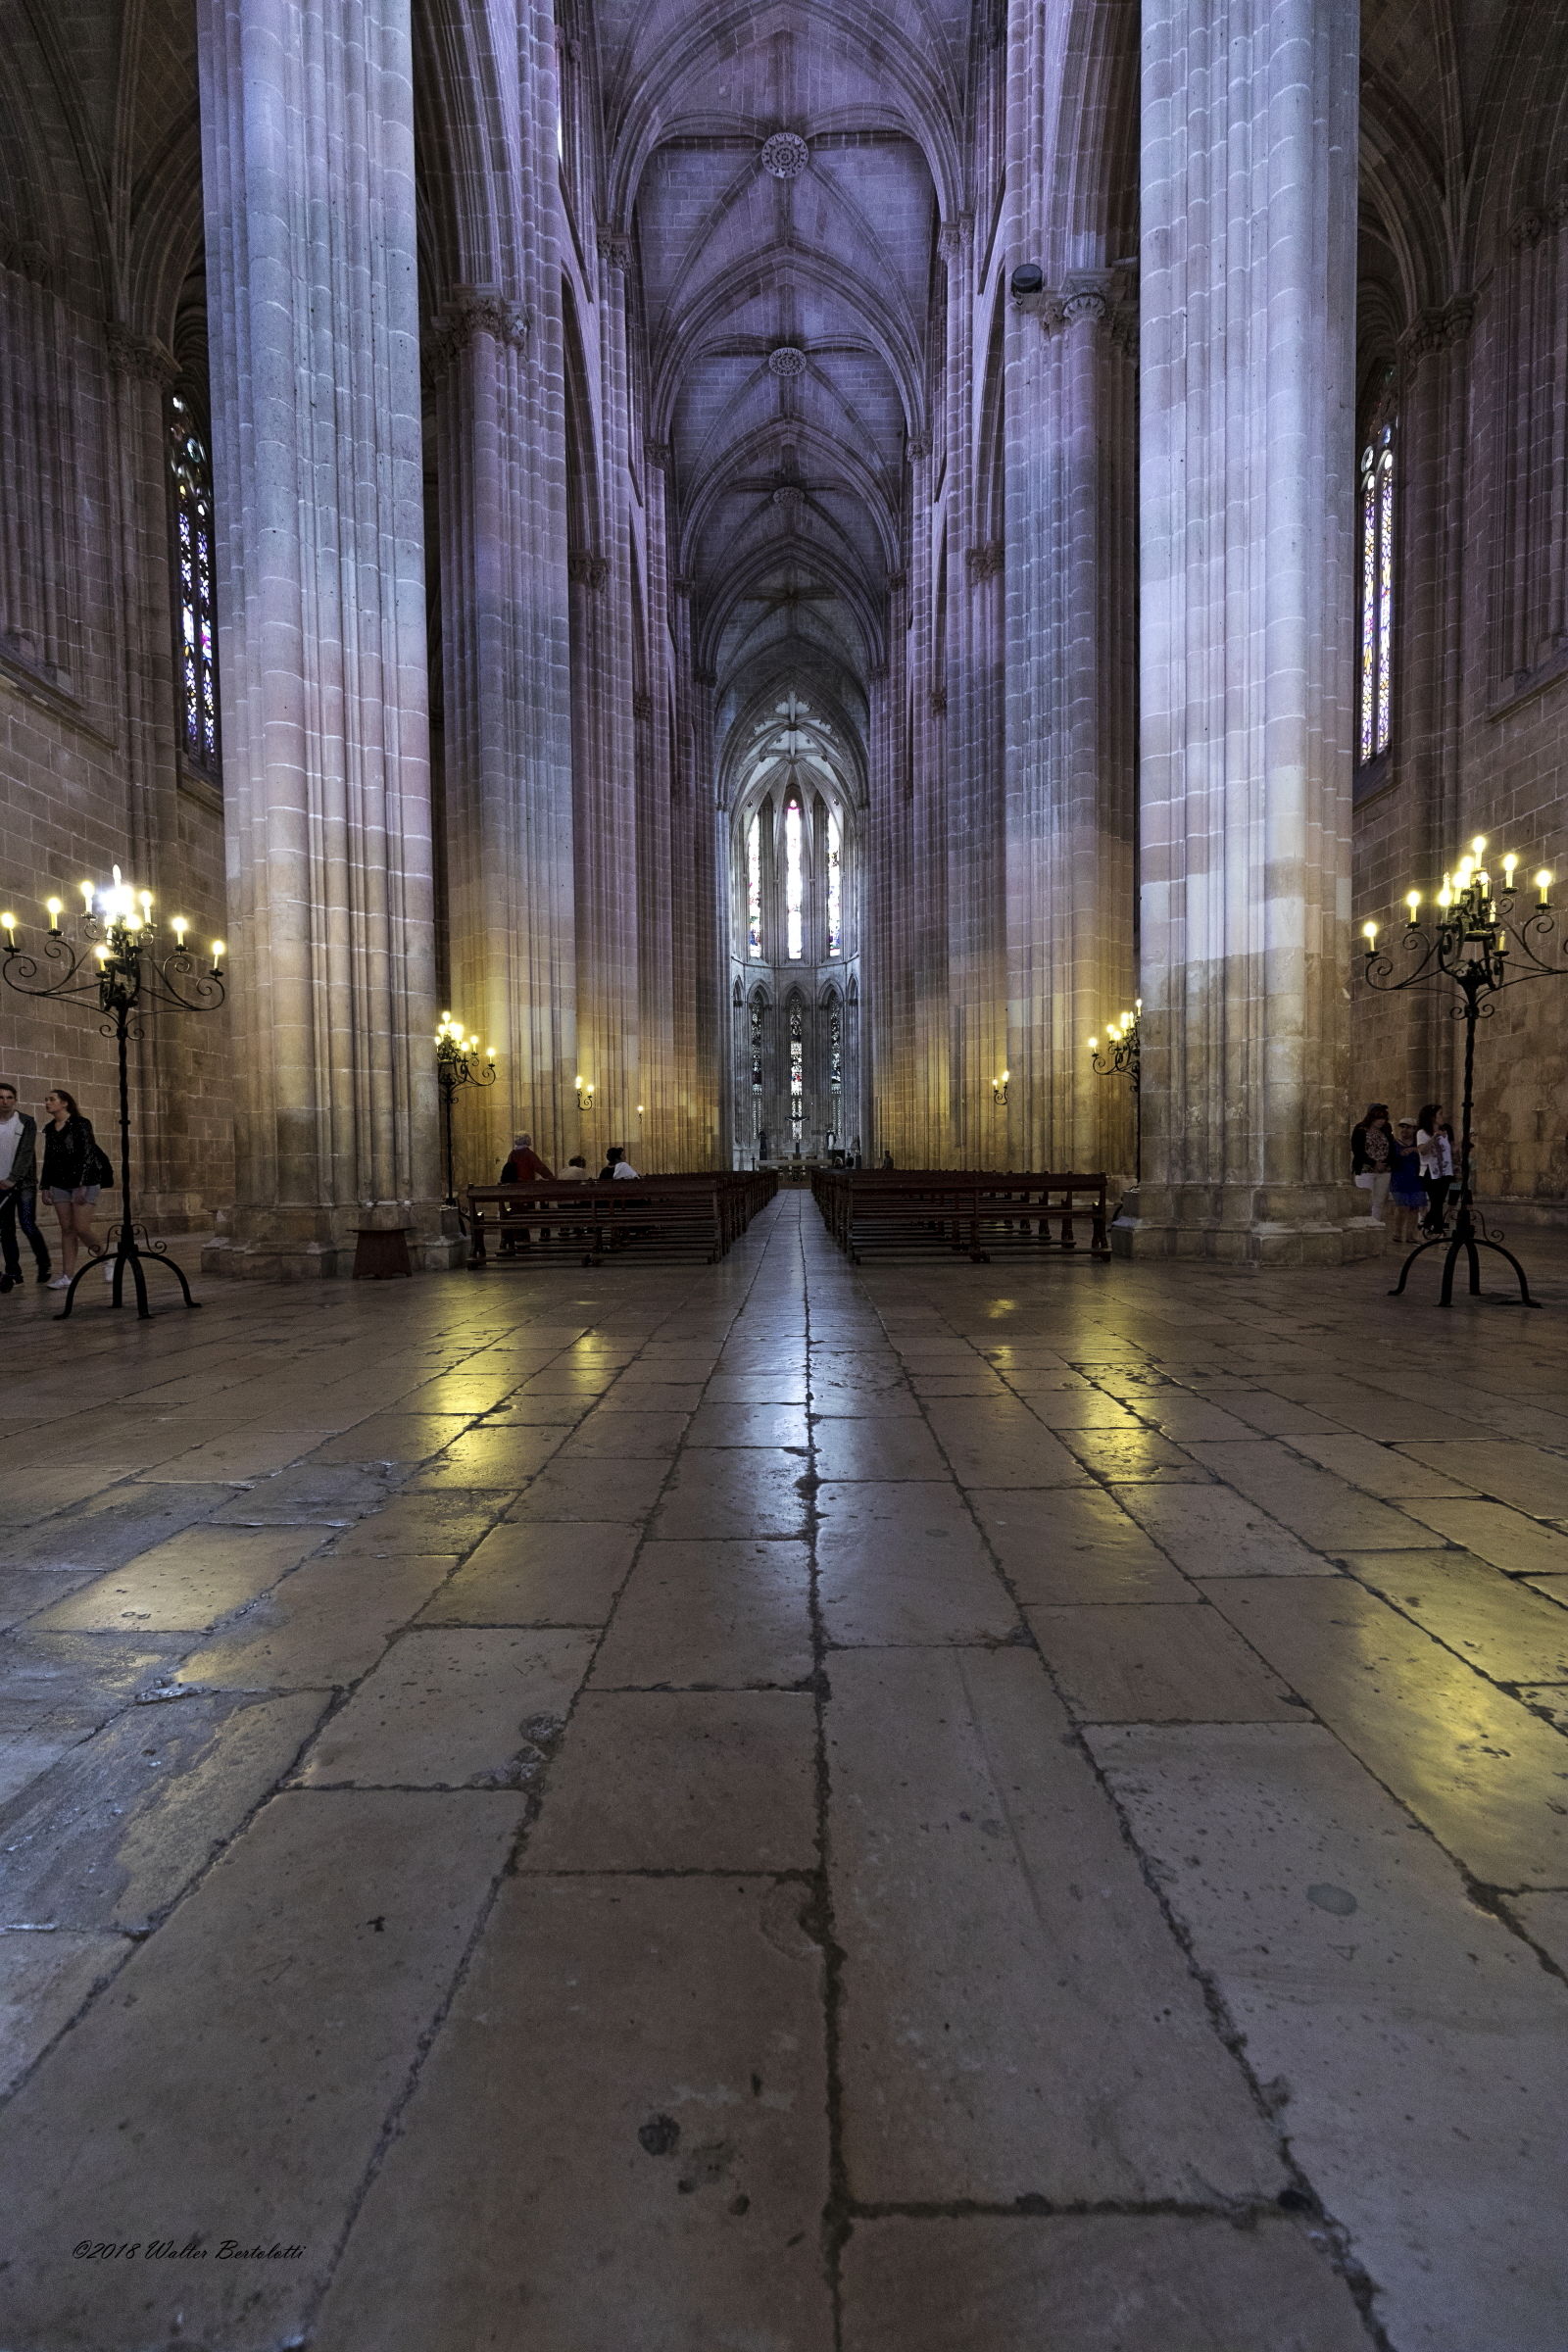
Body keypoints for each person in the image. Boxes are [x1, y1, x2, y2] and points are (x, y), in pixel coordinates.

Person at [39, 1088, 107, 1288]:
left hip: (85, 1182)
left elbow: (87, 1154)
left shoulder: (81, 1124)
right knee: (67, 1229)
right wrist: (44, 1186)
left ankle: (106, 1258)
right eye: (46, 1099)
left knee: (81, 1227)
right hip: (60, 1183)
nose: (47, 1103)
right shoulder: (50, 1128)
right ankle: (67, 1276)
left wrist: (83, 1184)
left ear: (64, 1103)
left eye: (52, 1099)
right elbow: (49, 1159)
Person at [0, 1081, 51, 1292]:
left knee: (27, 1224)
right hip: (0, 1184)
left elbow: (25, 1153)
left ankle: (44, 1263)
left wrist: (13, 1178)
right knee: (5, 1230)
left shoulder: (26, 1122)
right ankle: (13, 1272)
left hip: (24, 1184)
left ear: (15, 1099)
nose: (5, 1101)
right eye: (1, 1098)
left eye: (9, 1097)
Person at [497, 1132, 554, 1255]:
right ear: (527, 1140)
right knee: (525, 1213)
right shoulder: (528, 1154)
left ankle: (520, 1237)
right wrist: (551, 1178)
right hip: (526, 1188)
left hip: (514, 1189)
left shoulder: (512, 1154)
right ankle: (523, 1239)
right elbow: (540, 1167)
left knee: (516, 1212)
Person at [1349, 1102, 1394, 1223]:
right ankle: (1364, 1226)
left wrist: (1385, 1163)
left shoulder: (1386, 1129)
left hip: (1384, 1171)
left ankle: (1375, 1226)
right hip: (1366, 1170)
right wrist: (1374, 1163)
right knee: (1365, 1201)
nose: (1382, 1121)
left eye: (1384, 1118)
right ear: (1371, 1117)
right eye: (1379, 1118)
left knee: (1378, 1202)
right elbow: (1357, 1149)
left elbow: (1391, 1148)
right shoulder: (1360, 1129)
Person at [1415, 1102, 1454, 1235]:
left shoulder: (1446, 1132)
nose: (1443, 1117)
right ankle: (1434, 1227)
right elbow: (1423, 1151)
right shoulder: (1422, 1133)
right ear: (1432, 1117)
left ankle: (1432, 1227)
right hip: (1430, 1171)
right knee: (1435, 1201)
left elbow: (1448, 1152)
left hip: (1445, 1171)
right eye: (1440, 1114)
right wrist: (1434, 1137)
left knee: (1439, 1201)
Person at [1388, 1118, 1424, 1246]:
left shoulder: (1419, 1145)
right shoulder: (1394, 1144)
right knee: (1401, 1207)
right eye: (1402, 1127)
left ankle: (1411, 1235)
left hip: (1416, 1179)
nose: (1404, 1130)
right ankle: (1397, 1233)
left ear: (1414, 1129)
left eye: (1408, 1127)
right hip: (1399, 1179)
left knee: (1414, 1208)